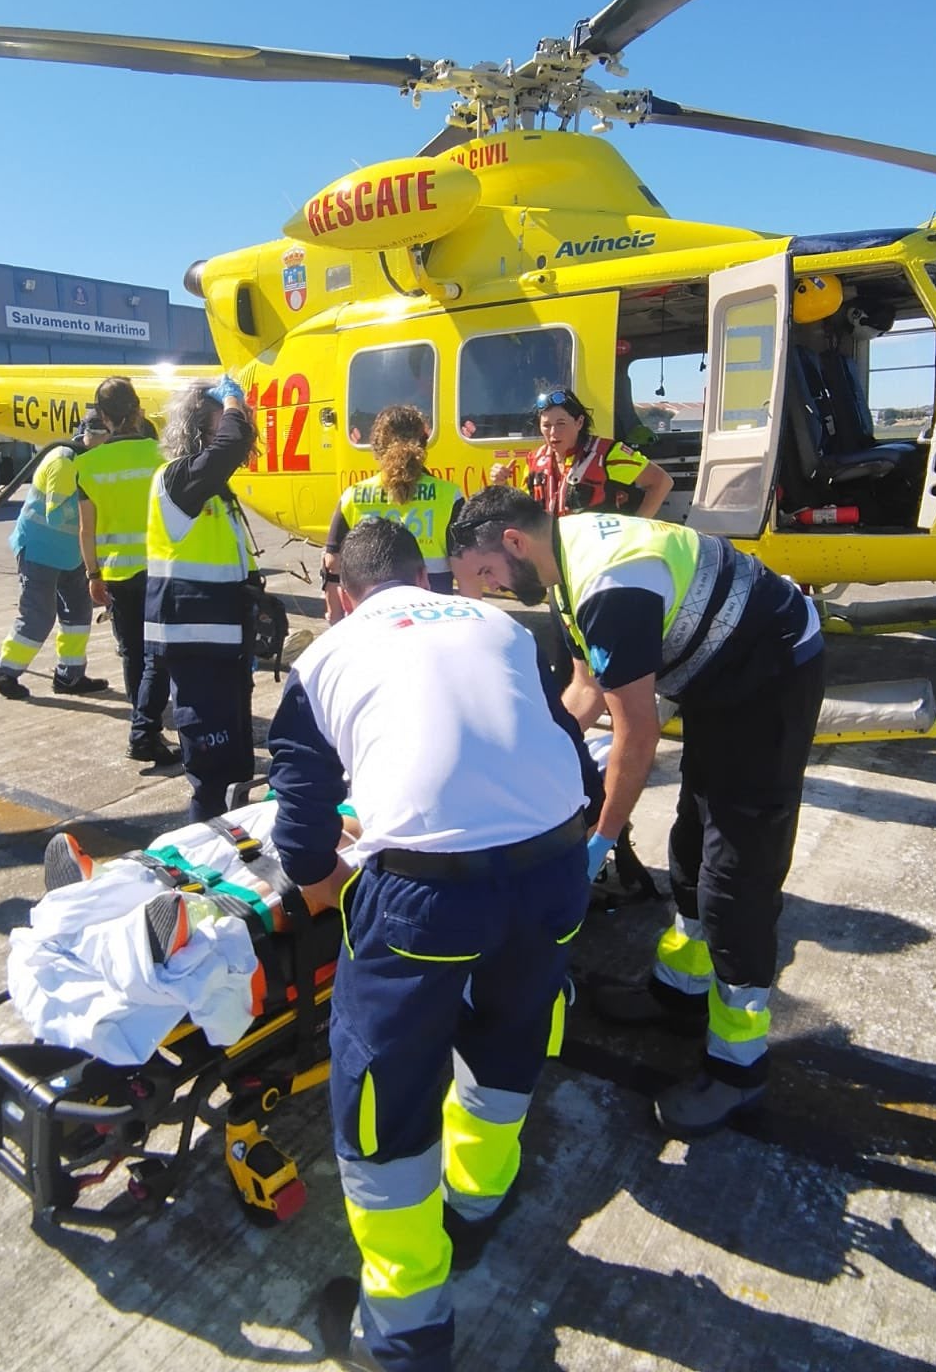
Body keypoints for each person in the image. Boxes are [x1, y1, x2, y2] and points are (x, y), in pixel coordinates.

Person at [267, 517, 600, 1372]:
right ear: (429, 578)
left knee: (385, 1092)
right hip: (555, 871)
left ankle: (406, 1329)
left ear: (344, 596)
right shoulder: (504, 628)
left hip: (429, 901)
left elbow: (302, 837)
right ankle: (475, 1210)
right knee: (511, 1035)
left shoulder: (327, 657)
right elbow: (572, 757)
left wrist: (331, 877)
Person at [446, 486, 827, 1140]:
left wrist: (600, 838)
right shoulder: (563, 564)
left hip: (771, 678)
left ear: (513, 542)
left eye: (486, 574)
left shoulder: (608, 585)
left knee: (736, 879)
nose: (491, 589)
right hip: (720, 679)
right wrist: (532, 759)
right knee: (690, 845)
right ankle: (680, 993)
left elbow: (637, 734)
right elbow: (585, 690)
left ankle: (738, 1068)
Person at [146, 374, 258, 822]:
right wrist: (233, 402)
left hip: (223, 644)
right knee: (212, 772)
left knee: (237, 766)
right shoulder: (178, 479)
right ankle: (204, 839)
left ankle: (234, 838)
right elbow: (231, 446)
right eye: (219, 426)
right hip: (194, 644)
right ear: (197, 432)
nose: (229, 433)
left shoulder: (212, 490)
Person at [76, 377, 180, 766]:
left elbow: (86, 530)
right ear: (138, 410)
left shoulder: (87, 465)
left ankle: (144, 728)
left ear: (102, 416)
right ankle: (147, 730)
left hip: (117, 574)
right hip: (160, 569)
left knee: (133, 654)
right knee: (161, 654)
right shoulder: (162, 456)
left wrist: (93, 574)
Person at [0, 419, 113, 700]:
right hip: (40, 550)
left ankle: (70, 676)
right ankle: (4, 670)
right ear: (90, 436)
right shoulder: (63, 461)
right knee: (39, 614)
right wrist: (95, 510)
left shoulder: (94, 461)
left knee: (78, 612)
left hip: (72, 554)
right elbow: (56, 515)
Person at [321, 405, 463, 623]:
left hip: (372, 619)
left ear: (377, 446)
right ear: (423, 444)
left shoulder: (353, 496)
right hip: (433, 616)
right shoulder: (449, 495)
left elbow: (332, 563)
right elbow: (464, 566)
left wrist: (335, 616)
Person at [490, 387, 672, 519]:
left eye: (561, 423)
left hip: (598, 553)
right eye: (546, 425)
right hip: (553, 553)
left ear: (579, 422)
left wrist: (636, 527)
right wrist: (502, 485)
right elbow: (524, 512)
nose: (553, 433)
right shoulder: (534, 461)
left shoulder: (608, 454)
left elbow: (662, 482)